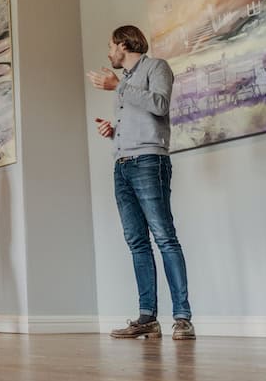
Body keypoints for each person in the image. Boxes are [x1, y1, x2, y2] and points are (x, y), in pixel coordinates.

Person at [87, 25, 194, 340]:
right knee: (136, 242)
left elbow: (160, 105)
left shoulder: (156, 67)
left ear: (122, 44)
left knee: (165, 237)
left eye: (110, 45)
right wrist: (114, 130)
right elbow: (140, 117)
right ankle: (147, 318)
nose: (109, 53)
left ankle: (182, 318)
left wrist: (117, 85)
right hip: (122, 165)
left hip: (150, 162)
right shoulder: (127, 82)